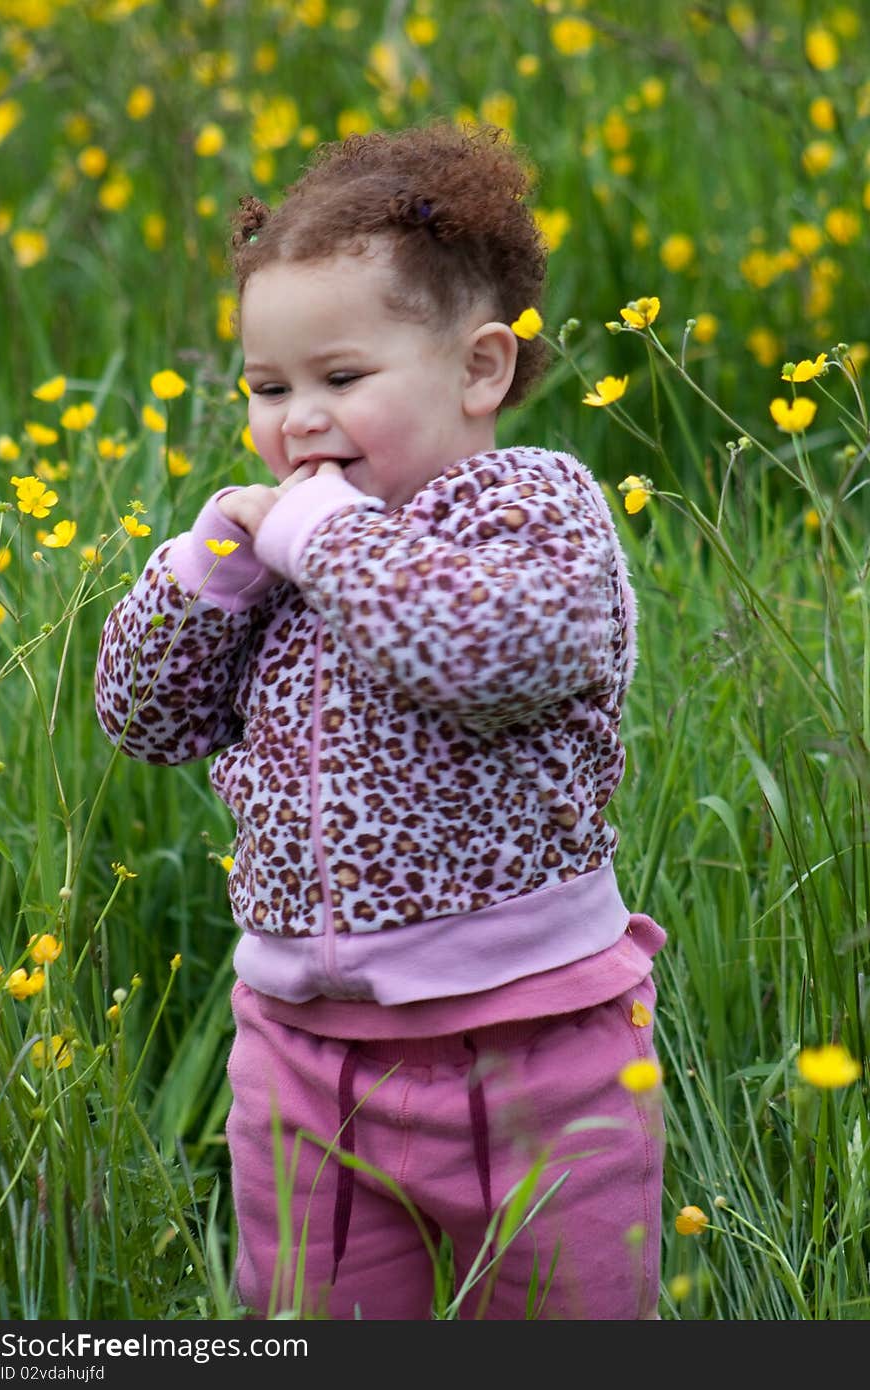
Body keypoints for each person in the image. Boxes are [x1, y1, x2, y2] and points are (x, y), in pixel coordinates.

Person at [95, 120, 665, 1321]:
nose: (296, 420)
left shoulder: (533, 513)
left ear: (479, 370)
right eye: (267, 388)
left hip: (535, 1045)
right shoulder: (278, 555)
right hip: (303, 1054)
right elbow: (142, 718)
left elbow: (477, 652)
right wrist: (211, 571)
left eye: (341, 379)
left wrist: (317, 538)